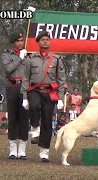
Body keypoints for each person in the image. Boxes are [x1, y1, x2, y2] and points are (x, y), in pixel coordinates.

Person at [21, 31, 66, 162]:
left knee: (47, 121)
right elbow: (25, 78)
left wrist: (60, 98)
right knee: (34, 106)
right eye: (43, 39)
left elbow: (61, 80)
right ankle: (34, 128)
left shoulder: (57, 59)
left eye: (47, 39)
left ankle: (44, 151)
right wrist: (24, 96)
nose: (45, 41)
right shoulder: (30, 59)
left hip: (49, 93)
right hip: (34, 90)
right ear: (38, 42)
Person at [0, 32, 29, 160]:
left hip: (24, 87)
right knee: (12, 118)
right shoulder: (6, 54)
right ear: (13, 42)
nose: (20, 43)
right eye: (18, 41)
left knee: (24, 117)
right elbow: (8, 69)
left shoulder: (28, 54)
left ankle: (22, 149)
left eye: (22, 40)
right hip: (12, 87)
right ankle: (12, 148)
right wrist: (20, 58)